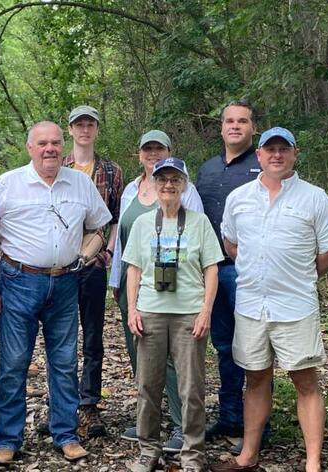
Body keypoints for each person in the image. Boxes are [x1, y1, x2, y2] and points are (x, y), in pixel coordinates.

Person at [0, 121, 112, 466]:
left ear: (62, 145)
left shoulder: (80, 183)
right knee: (14, 364)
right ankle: (8, 438)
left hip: (66, 282)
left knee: (65, 362)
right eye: (42, 143)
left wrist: (87, 252)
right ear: (30, 148)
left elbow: (101, 224)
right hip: (18, 281)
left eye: (55, 142)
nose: (49, 148)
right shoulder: (8, 184)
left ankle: (65, 434)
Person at [210, 127, 328, 472]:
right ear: (259, 155)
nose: (277, 155)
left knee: (305, 382)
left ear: (294, 154)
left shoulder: (314, 198)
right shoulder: (239, 198)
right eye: (270, 149)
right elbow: (231, 245)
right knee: (255, 379)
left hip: (295, 306)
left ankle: (313, 462)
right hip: (252, 304)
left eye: (284, 149)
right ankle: (248, 455)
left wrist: (301, 274)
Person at [123, 157, 223, 472]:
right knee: (148, 387)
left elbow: (212, 269)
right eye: (162, 179)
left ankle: (193, 454)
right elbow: (133, 270)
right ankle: (148, 451)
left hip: (188, 315)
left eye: (175, 180)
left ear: (184, 185)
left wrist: (206, 310)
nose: (168, 185)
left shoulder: (198, 223)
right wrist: (132, 309)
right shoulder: (142, 224)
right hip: (151, 313)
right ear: (154, 184)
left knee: (191, 387)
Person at [109, 130, 203, 452]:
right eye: (147, 149)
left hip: (176, 291)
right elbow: (123, 238)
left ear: (168, 152)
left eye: (158, 149)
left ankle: (179, 423)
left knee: (175, 361)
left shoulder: (181, 189)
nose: (152, 154)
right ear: (138, 154)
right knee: (142, 354)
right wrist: (115, 280)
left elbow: (197, 236)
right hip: (136, 284)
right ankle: (147, 422)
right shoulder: (130, 192)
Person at [195, 100, 270, 450]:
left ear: (253, 127)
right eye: (229, 121)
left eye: (242, 121)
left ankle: (259, 427)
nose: (235, 126)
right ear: (221, 127)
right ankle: (229, 417)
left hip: (248, 273)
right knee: (224, 346)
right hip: (211, 271)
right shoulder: (207, 169)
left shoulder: (264, 165)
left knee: (255, 346)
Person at [64, 105, 124, 436]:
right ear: (70, 129)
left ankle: (88, 405)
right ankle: (63, 405)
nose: (84, 129)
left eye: (90, 124)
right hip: (58, 267)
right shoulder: (58, 166)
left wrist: (109, 251)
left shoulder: (111, 171)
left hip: (94, 264)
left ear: (97, 130)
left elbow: (115, 216)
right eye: (79, 124)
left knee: (93, 335)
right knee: (62, 336)